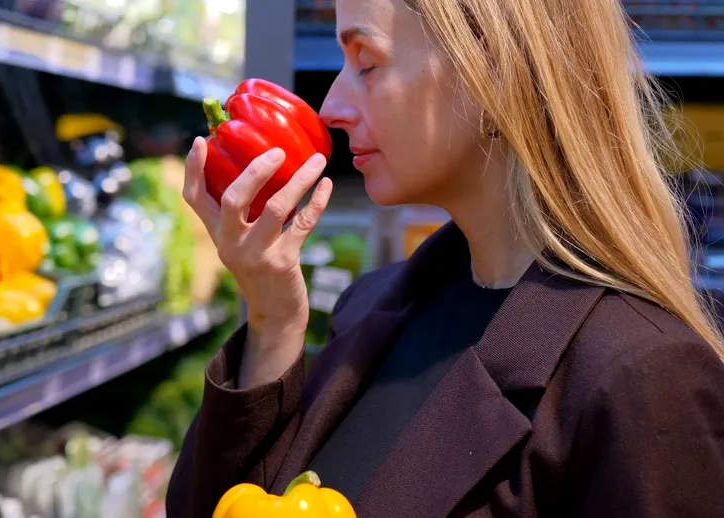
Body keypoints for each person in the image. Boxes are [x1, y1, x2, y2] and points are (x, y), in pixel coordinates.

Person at [167, 0, 724, 516]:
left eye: (368, 63)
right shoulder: (371, 307)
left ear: (491, 72)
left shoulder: (643, 378)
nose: (330, 107)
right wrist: (271, 318)